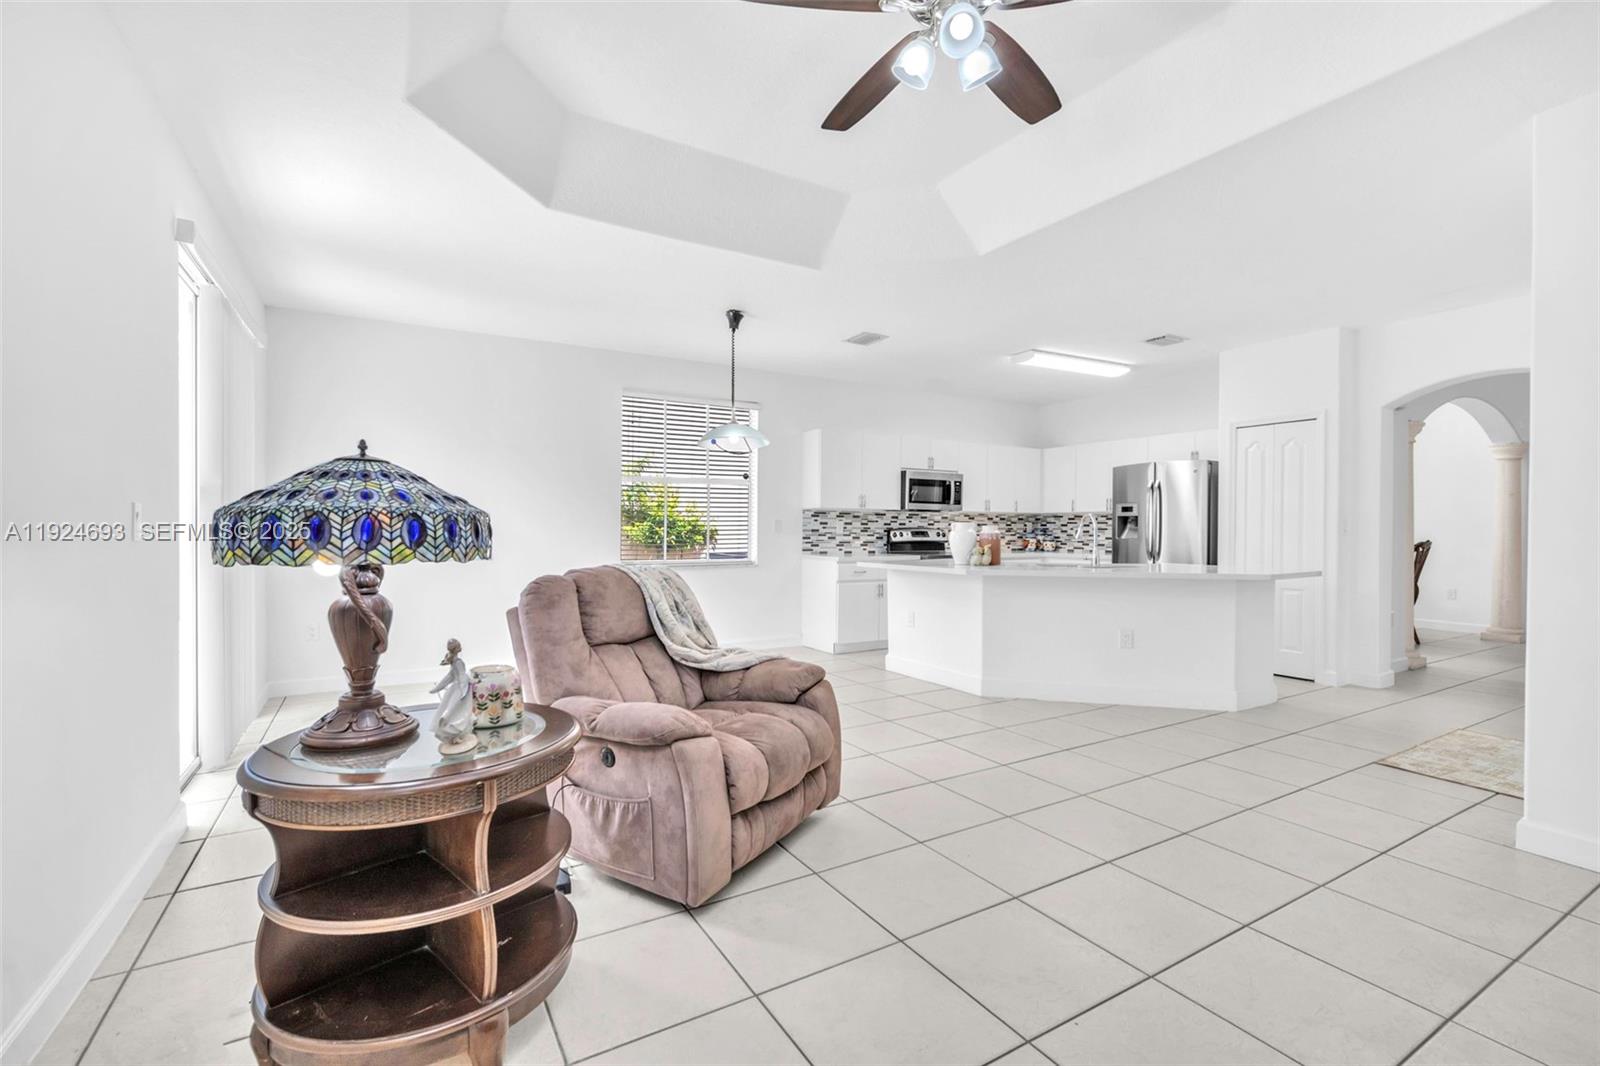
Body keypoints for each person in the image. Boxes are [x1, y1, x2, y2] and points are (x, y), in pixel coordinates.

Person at [432, 638, 477, 755]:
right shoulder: (458, 662)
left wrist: (438, 687)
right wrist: (465, 689)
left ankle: (456, 735)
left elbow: (449, 677)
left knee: (453, 711)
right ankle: (455, 733)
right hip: (462, 690)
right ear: (457, 648)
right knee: (460, 711)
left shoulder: (453, 662)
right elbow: (461, 678)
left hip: (457, 688)